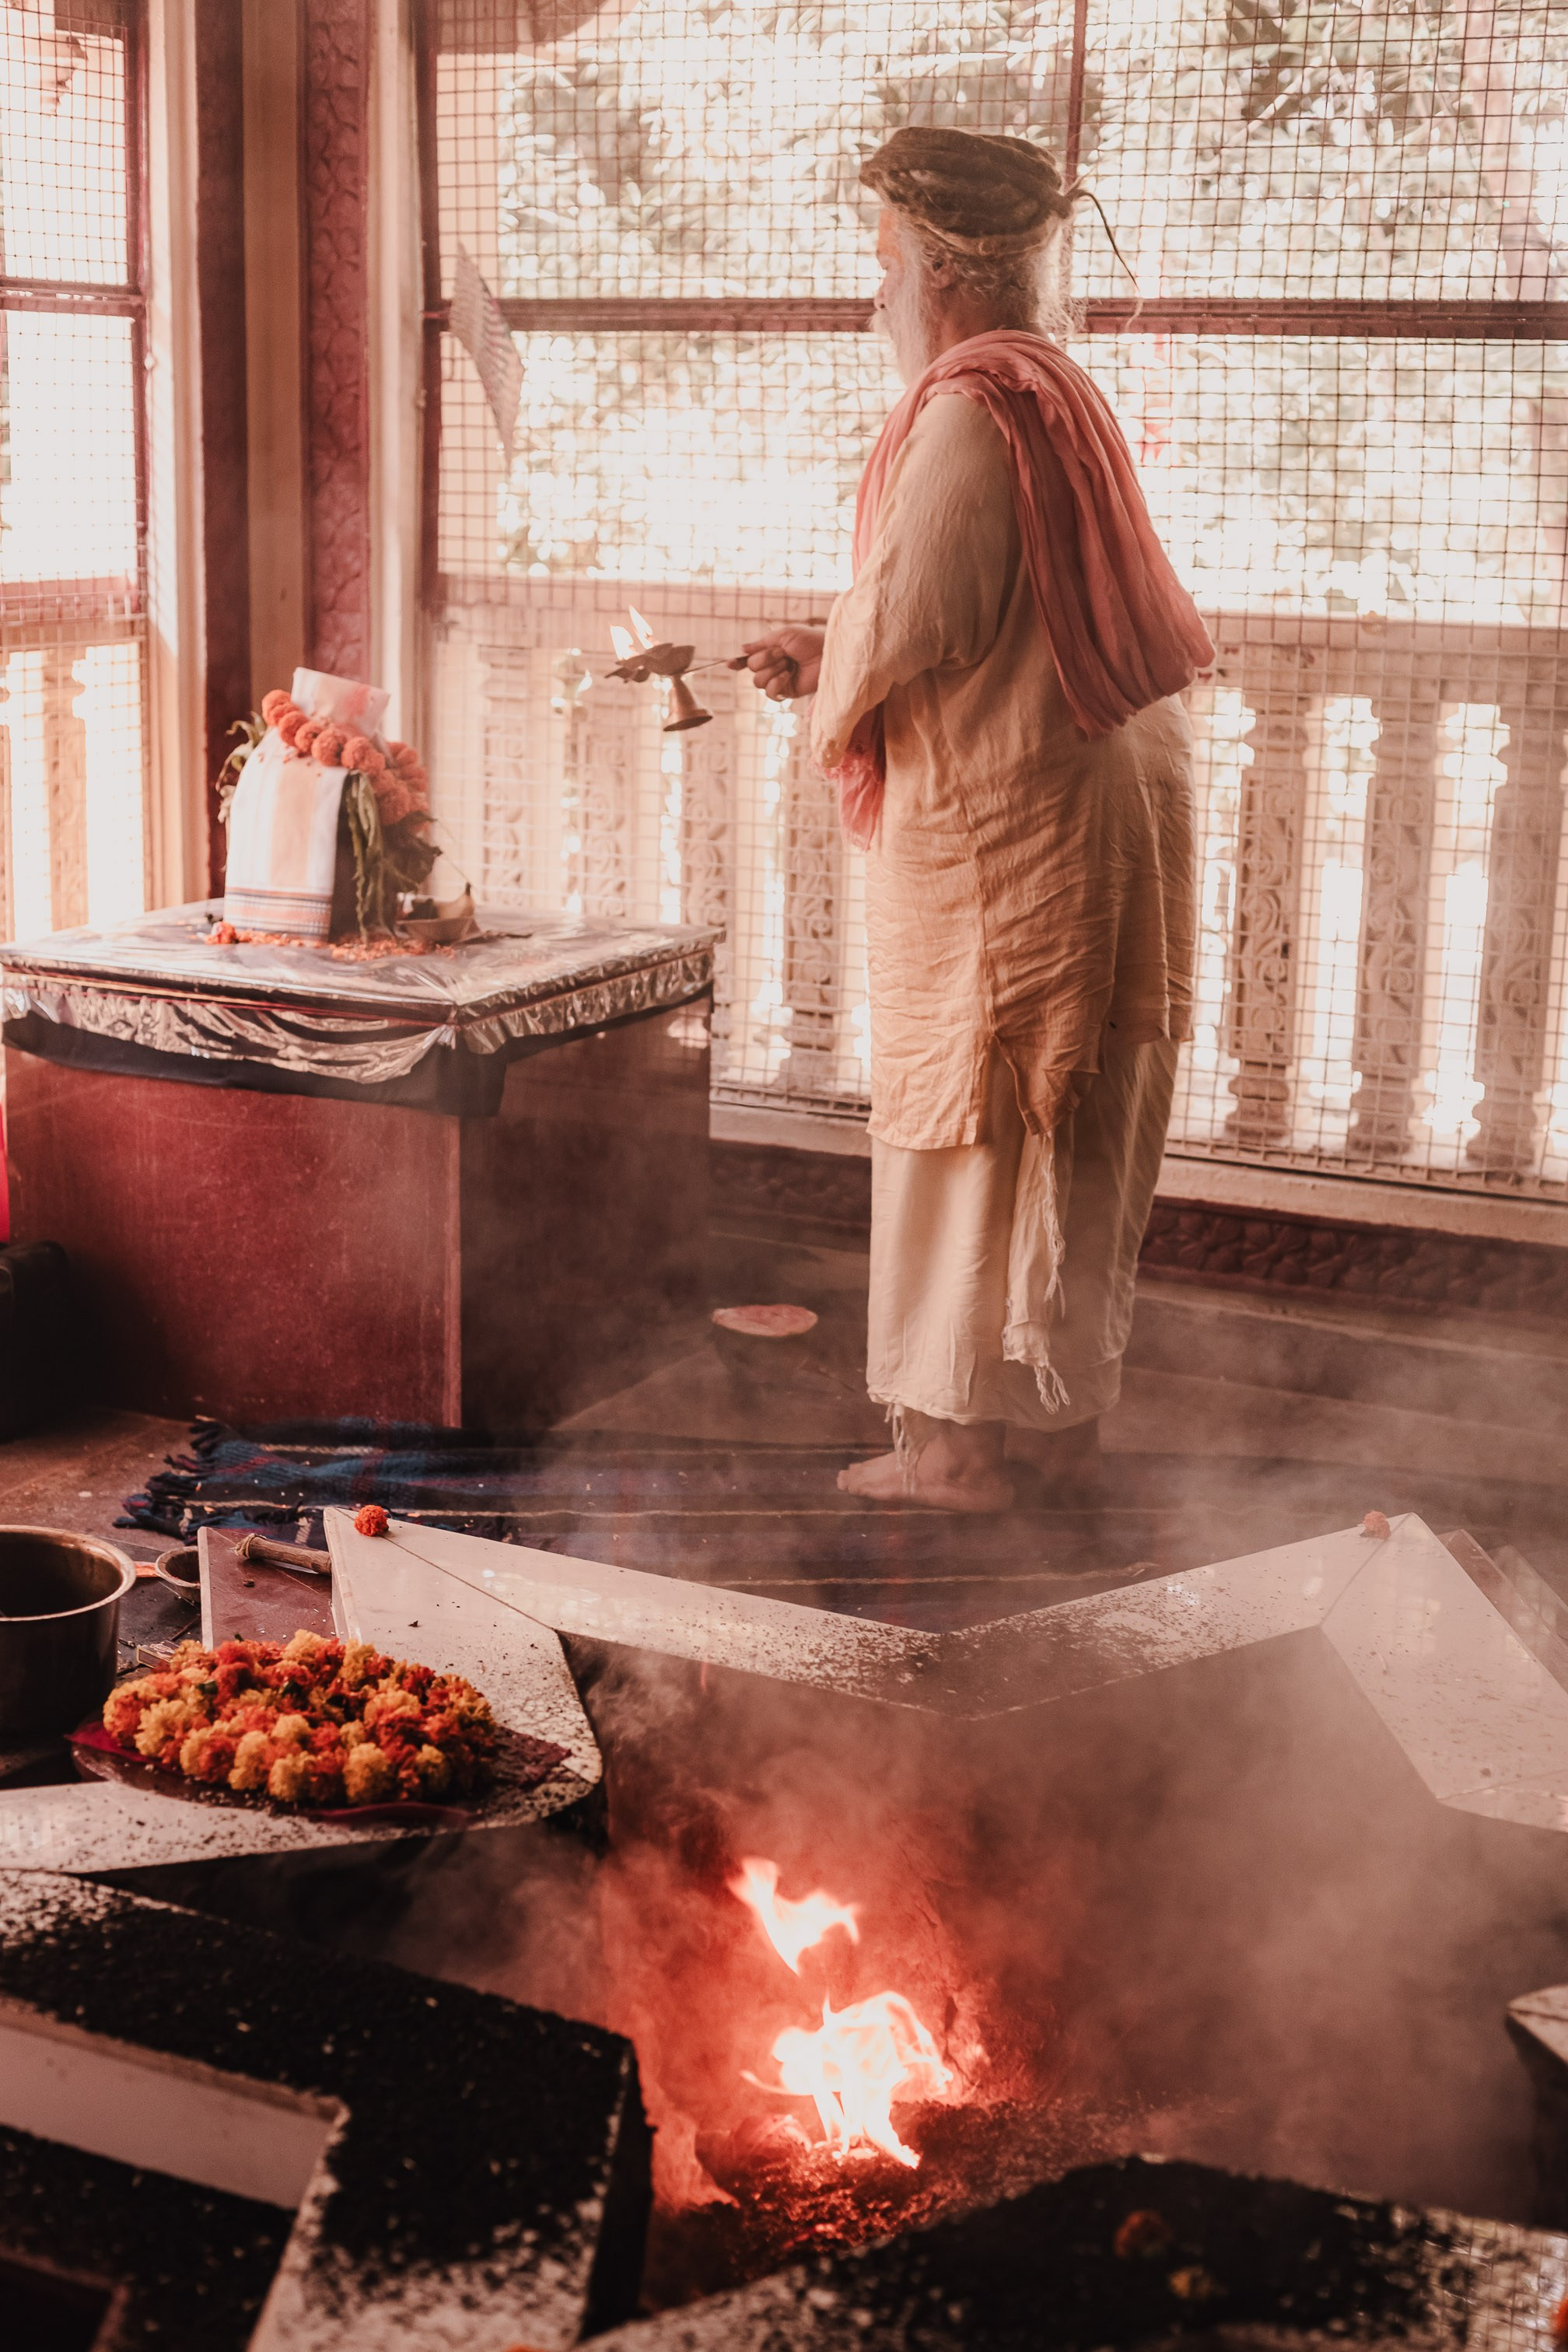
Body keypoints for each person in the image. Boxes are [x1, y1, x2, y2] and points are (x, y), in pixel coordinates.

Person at [741, 127, 1212, 1514]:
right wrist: (833, 651)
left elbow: (915, 613)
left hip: (1022, 832)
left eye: (885, 261)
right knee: (1073, 1122)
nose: (876, 292)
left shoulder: (967, 409)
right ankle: (1054, 1434)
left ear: (940, 270)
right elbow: (982, 608)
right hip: (1103, 800)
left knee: (980, 1118)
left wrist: (839, 668)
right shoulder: (1055, 389)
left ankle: (956, 1453)